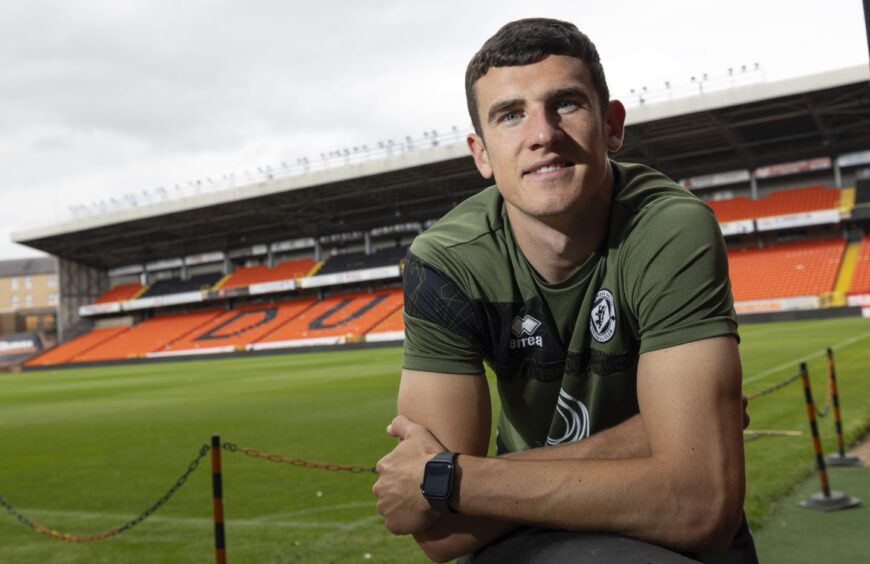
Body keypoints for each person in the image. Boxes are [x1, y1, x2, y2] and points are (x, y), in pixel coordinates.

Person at [372, 17, 757, 563]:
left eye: (567, 104)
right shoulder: (446, 263)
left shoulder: (670, 227)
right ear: (480, 153)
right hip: (520, 527)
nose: (542, 134)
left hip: (512, 507)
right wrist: (651, 441)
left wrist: (457, 481)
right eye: (510, 115)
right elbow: (438, 533)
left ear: (612, 124)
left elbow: (698, 506)